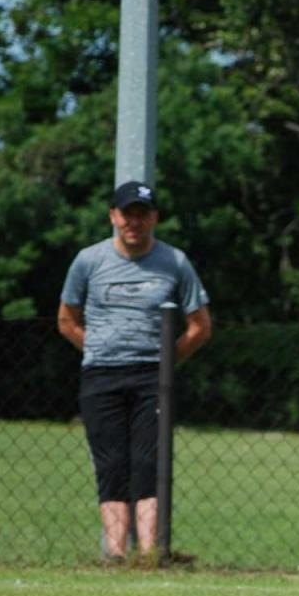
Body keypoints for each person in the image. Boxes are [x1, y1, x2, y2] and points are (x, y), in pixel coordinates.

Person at [57, 181, 211, 561]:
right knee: (111, 463)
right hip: (101, 375)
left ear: (154, 218)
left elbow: (200, 326)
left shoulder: (174, 262)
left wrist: (165, 364)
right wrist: (96, 348)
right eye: (127, 214)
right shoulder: (88, 261)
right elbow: (66, 319)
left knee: (148, 463)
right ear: (113, 216)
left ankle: (148, 555)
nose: (134, 223)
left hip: (151, 379)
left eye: (142, 215)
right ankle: (115, 555)